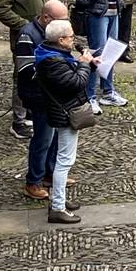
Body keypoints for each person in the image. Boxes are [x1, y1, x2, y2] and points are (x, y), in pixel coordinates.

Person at [34, 19, 98, 224]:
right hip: (66, 114)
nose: (74, 40)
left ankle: (57, 199)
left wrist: (87, 66)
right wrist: (84, 64)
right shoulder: (53, 62)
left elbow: (75, 76)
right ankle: (58, 207)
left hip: (63, 110)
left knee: (62, 160)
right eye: (71, 37)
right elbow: (76, 83)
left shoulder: (53, 55)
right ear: (60, 40)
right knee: (64, 161)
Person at [0, 0, 48, 139]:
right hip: (24, 37)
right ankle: (18, 120)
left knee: (39, 72)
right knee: (22, 76)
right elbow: (1, 9)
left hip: (42, 35)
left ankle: (31, 110)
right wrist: (25, 25)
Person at [15, 0, 67, 200]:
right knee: (42, 139)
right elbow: (25, 69)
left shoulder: (52, 32)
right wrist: (55, 73)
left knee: (54, 137)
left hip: (53, 95)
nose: (64, 25)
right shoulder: (28, 35)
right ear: (46, 18)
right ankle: (33, 182)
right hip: (38, 95)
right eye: (60, 21)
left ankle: (49, 173)